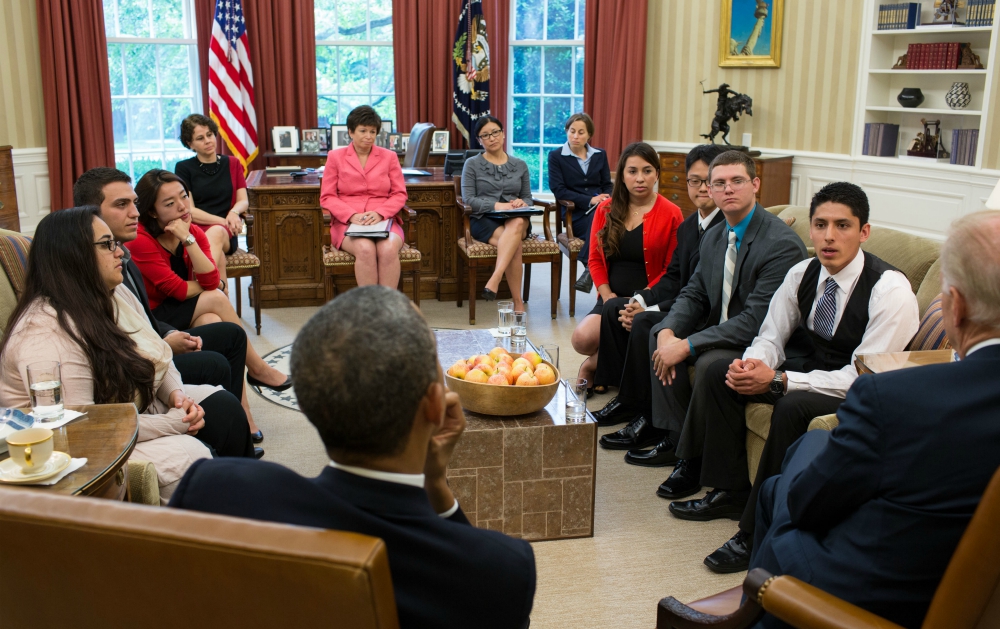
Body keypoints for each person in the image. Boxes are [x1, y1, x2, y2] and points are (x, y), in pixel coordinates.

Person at [169, 286, 537, 629]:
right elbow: (465, 567)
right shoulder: (502, 571)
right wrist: (438, 490)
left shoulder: (215, 490)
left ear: (310, 404)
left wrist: (434, 484)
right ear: (436, 407)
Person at [748, 210, 1000, 629]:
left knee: (782, 490)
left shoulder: (894, 396)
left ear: (953, 308)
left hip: (881, 595)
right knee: (809, 449)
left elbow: (810, 507)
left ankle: (757, 611)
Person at [667, 182, 919, 574]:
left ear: (864, 232)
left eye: (843, 226)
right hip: (812, 365)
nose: (829, 236)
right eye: (820, 225)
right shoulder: (803, 271)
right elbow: (770, 335)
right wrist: (752, 365)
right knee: (720, 370)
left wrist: (782, 381)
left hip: (862, 386)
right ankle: (730, 489)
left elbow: (862, 374)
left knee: (793, 404)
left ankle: (756, 533)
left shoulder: (890, 289)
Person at [0, 208, 256, 502]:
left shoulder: (111, 292)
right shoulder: (46, 333)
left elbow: (156, 351)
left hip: (131, 401)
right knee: (193, 457)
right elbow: (85, 424)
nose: (120, 252)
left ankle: (247, 511)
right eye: (107, 244)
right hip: (85, 445)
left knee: (224, 408)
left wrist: (177, 397)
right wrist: (171, 424)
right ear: (74, 255)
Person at [597, 151, 805, 476]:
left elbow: (755, 321)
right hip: (721, 327)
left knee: (706, 361)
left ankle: (691, 461)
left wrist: (686, 343)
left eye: (737, 181)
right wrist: (669, 329)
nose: (728, 189)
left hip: (760, 340)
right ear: (711, 187)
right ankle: (673, 436)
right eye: (719, 183)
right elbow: (693, 292)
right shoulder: (716, 235)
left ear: (755, 184)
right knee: (656, 332)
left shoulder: (780, 243)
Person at [72, 167, 264, 444]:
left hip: (161, 326)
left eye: (133, 203)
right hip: (144, 349)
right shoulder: (122, 250)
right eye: (121, 205)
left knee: (224, 329)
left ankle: (239, 417)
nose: (134, 213)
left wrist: (165, 333)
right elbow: (177, 292)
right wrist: (165, 340)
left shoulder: (124, 250)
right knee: (215, 327)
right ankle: (253, 381)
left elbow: (145, 314)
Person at [127, 170, 292, 415]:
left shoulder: (191, 231)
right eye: (170, 204)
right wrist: (210, 286)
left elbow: (211, 278)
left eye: (184, 197)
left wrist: (187, 239)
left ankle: (241, 411)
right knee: (215, 297)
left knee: (212, 320)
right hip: (157, 319)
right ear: (152, 211)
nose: (183, 207)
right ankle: (258, 370)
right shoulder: (140, 239)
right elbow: (180, 290)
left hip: (186, 310)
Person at [590, 144, 726, 398]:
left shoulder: (721, 227)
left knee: (639, 319)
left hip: (698, 312)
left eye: (709, 181)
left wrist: (648, 308)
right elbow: (675, 276)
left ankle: (632, 401)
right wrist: (639, 300)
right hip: (668, 297)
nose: (702, 188)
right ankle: (617, 389)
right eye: (694, 181)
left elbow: (691, 289)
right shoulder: (690, 227)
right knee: (613, 309)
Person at [570, 142, 682, 392]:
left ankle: (594, 365)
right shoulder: (606, 208)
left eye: (647, 171)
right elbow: (595, 259)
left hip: (649, 299)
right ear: (622, 174)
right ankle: (604, 360)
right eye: (632, 171)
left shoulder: (672, 213)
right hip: (610, 296)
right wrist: (608, 296)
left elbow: (670, 269)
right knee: (582, 339)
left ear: (657, 174)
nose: (640, 178)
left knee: (632, 328)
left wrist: (641, 301)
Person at [319, 105, 408, 289]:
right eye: (363, 130)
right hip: (347, 222)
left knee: (388, 248)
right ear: (351, 132)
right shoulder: (335, 157)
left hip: (384, 220)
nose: (369, 136)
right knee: (365, 249)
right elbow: (327, 197)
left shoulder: (389, 157)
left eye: (373, 131)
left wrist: (381, 213)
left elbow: (399, 194)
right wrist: (352, 215)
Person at [461, 115, 533, 309]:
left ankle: (495, 277)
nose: (491, 138)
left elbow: (528, 198)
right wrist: (497, 206)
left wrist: (520, 202)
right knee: (514, 245)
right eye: (485, 135)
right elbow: (468, 199)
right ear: (479, 140)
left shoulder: (520, 165)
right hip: (484, 220)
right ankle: (518, 303)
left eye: (495, 132)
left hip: (516, 218)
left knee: (517, 223)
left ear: (502, 134)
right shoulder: (472, 164)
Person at [174, 114, 249, 290]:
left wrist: (233, 213)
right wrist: (223, 220)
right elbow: (190, 210)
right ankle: (217, 295)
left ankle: (201, 286)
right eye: (200, 138)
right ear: (190, 144)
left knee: (215, 233)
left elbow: (243, 200)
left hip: (226, 233)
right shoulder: (184, 168)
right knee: (218, 257)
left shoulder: (232, 163)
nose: (208, 140)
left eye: (210, 134)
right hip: (197, 229)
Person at [547, 113, 613, 293]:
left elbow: (607, 184)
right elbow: (559, 190)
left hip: (602, 209)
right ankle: (593, 268)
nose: (575, 136)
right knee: (606, 227)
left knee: (605, 219)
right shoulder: (556, 156)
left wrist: (607, 197)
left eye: (581, 132)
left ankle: (589, 270)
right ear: (566, 131)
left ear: (589, 135)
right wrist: (590, 200)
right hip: (574, 214)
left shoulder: (600, 155)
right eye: (572, 131)